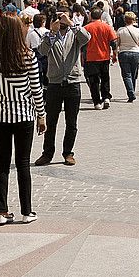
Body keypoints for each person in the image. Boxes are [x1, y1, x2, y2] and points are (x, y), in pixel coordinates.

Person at [0, 15, 46, 225]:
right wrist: (41, 114)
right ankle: (26, 211)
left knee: (2, 164)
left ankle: (2, 211)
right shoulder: (28, 56)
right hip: (24, 115)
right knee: (23, 164)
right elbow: (36, 89)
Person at [34, 13, 90, 167]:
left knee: (71, 122)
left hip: (73, 82)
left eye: (63, 18)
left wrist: (71, 23)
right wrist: (52, 32)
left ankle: (68, 153)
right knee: (51, 121)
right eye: (59, 19)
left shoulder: (75, 34)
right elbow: (42, 51)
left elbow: (87, 38)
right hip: (54, 84)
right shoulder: (49, 36)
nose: (61, 21)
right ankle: (47, 153)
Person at [83, 8, 118, 109]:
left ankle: (96, 102)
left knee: (94, 80)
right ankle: (106, 97)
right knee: (105, 78)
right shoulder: (107, 27)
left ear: (91, 16)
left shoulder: (86, 28)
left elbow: (82, 44)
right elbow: (113, 42)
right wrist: (115, 54)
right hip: (104, 56)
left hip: (91, 57)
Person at [116, 11, 139, 102]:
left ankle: (131, 93)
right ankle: (132, 92)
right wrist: (137, 48)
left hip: (123, 53)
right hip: (135, 53)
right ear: (133, 20)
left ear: (125, 20)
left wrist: (115, 52)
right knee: (134, 74)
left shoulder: (120, 30)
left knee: (126, 75)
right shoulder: (138, 30)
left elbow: (117, 43)